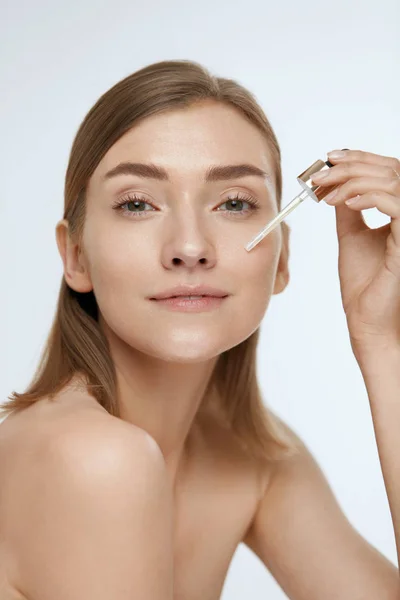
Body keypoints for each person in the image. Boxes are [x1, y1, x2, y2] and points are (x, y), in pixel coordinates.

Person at [0, 60, 398, 600]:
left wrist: (384, 341)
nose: (190, 247)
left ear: (281, 263)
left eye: (233, 203)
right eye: (137, 204)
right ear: (75, 256)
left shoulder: (250, 457)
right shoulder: (91, 458)